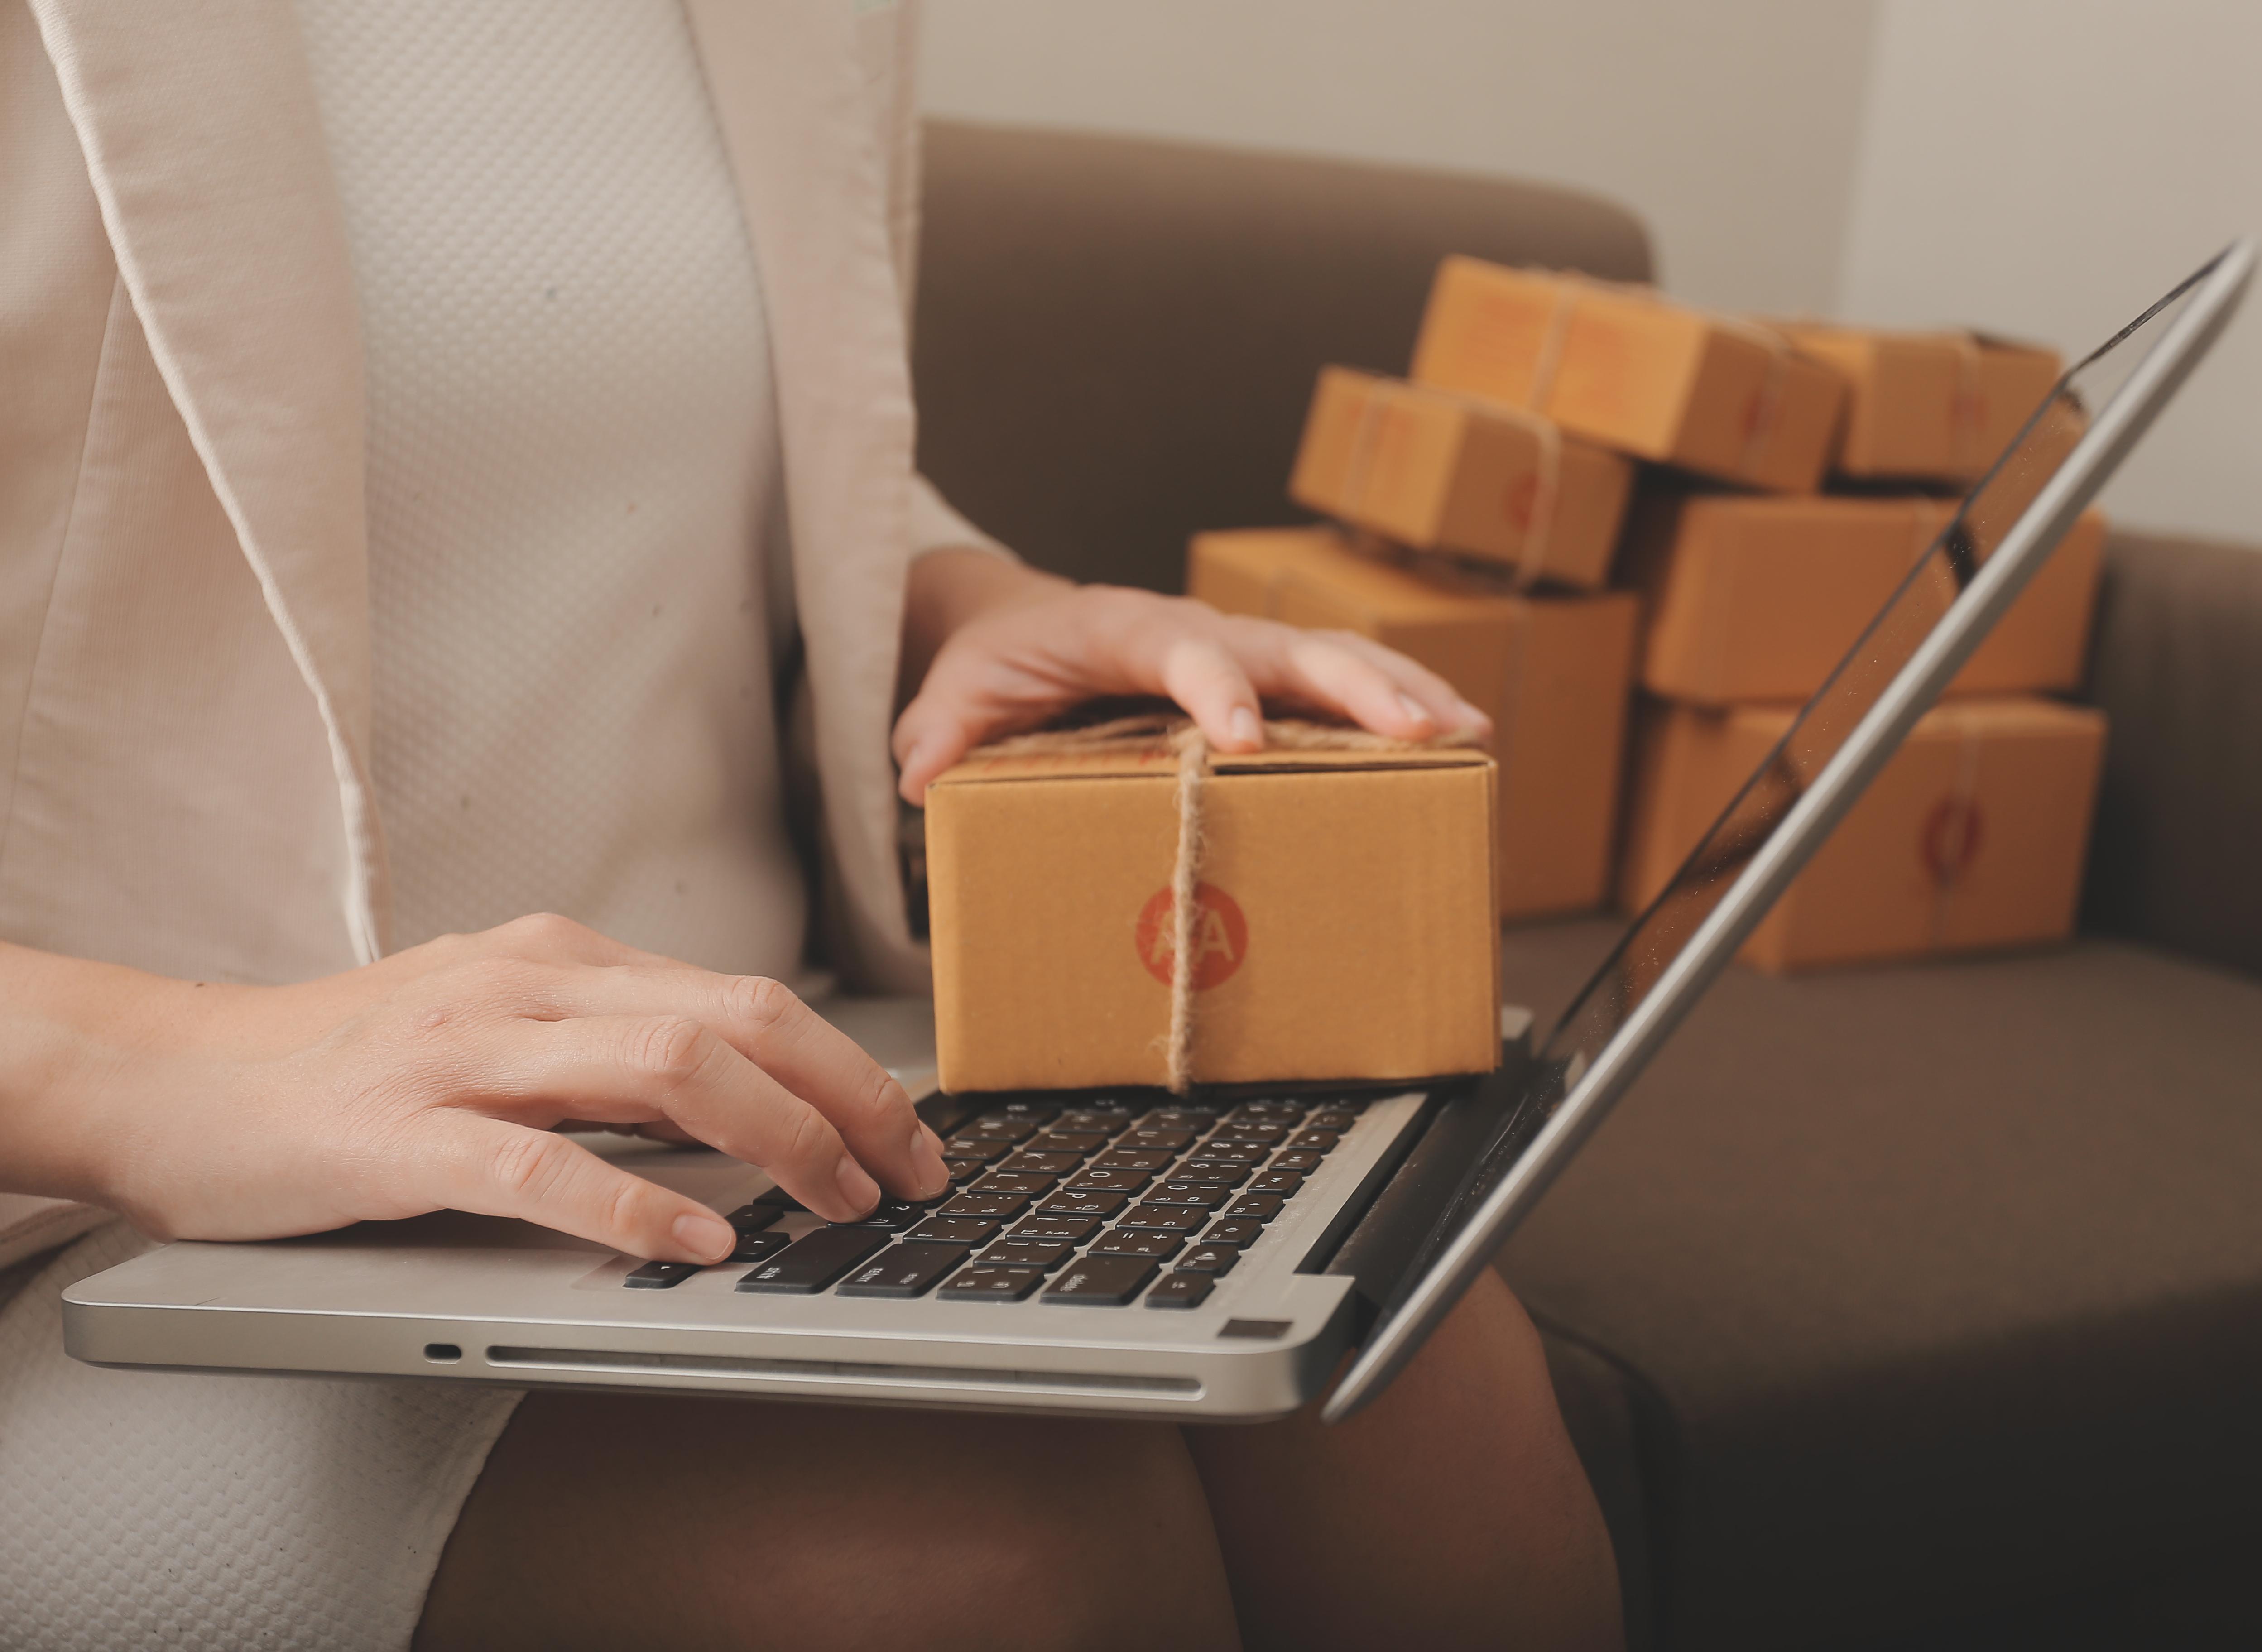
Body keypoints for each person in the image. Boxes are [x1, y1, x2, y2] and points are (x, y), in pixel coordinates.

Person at [0, 3, 1623, 1648]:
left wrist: (965, 611)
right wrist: (148, 1071)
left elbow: (622, 449)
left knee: (1420, 1393)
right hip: (97, 1211)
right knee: (958, 1576)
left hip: (742, 1089)